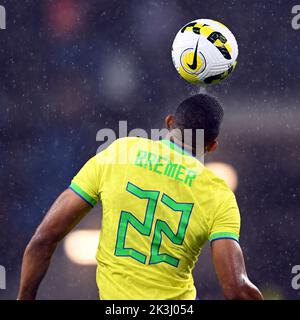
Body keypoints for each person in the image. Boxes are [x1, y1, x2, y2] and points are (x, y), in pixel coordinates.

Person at [17, 94, 263, 300]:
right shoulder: (218, 194)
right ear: (212, 146)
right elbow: (236, 288)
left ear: (169, 122)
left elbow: (43, 241)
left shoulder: (119, 152)